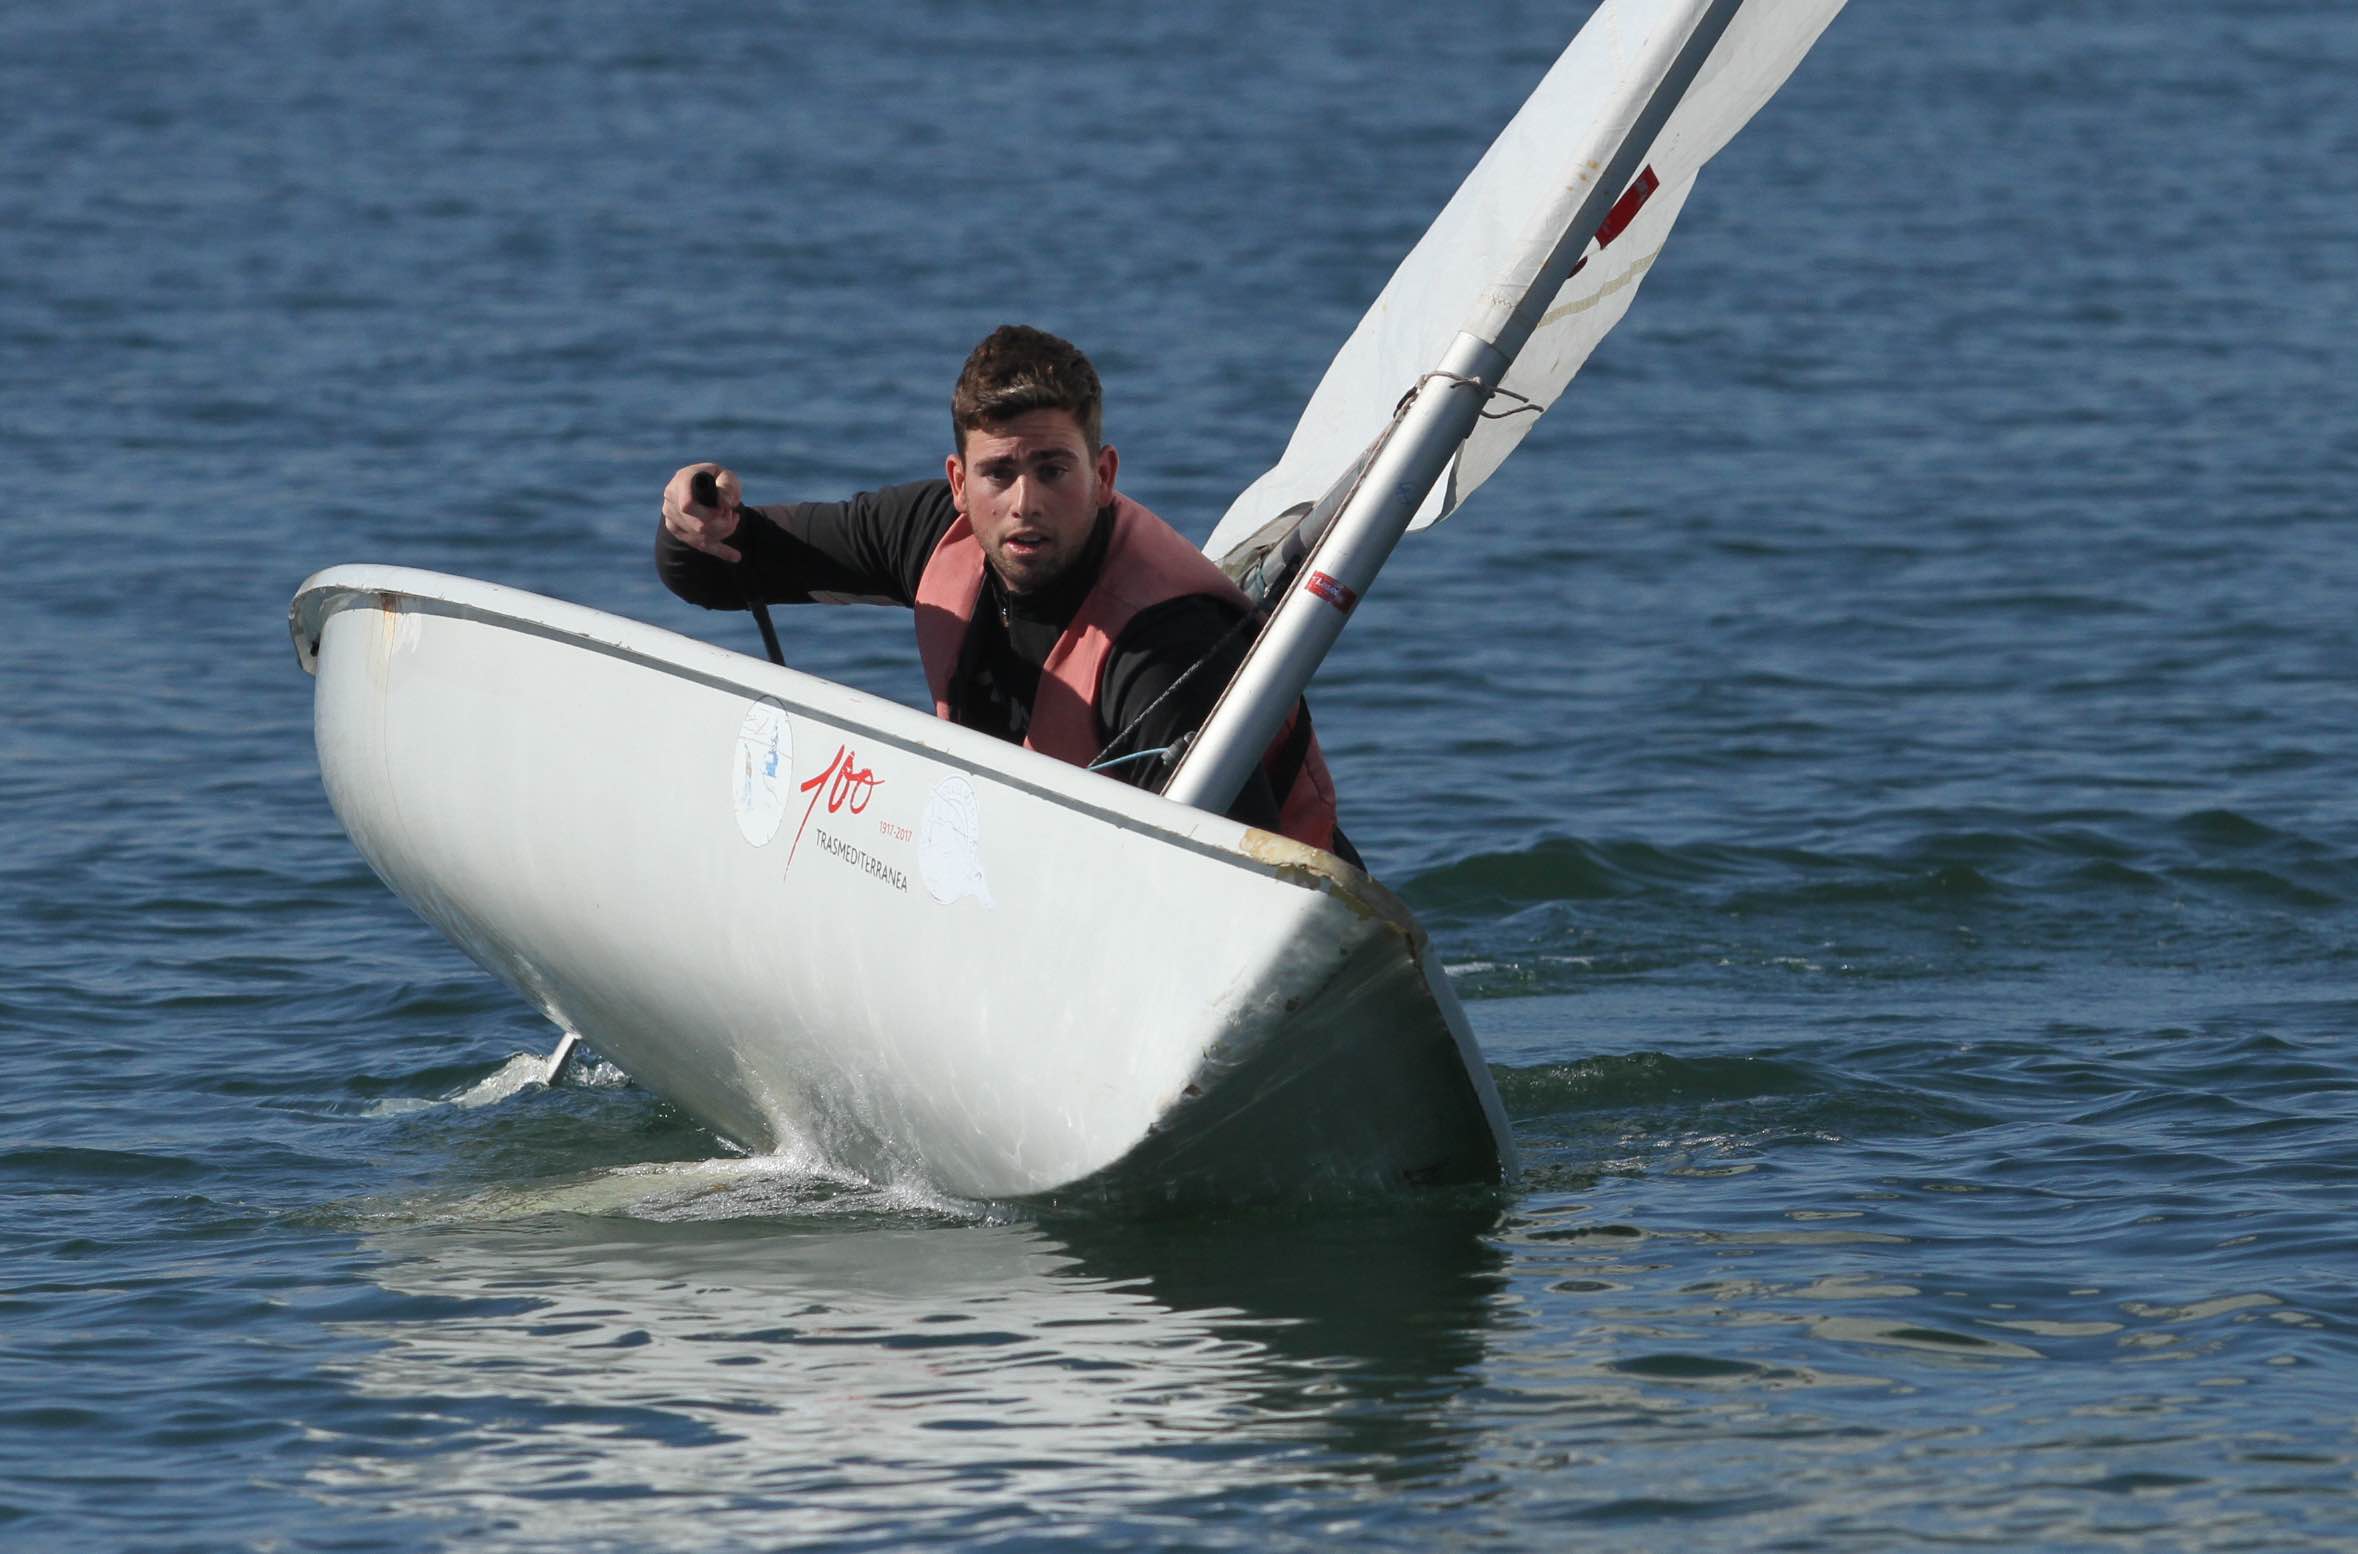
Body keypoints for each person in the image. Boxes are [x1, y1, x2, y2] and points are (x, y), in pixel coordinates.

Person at [656, 324, 1350, 858]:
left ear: (1103, 476)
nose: (1025, 503)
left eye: (1053, 470)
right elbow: (716, 569)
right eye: (999, 474)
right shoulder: (929, 531)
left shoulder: (1164, 646)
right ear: (960, 483)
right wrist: (693, 514)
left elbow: (1235, 896)